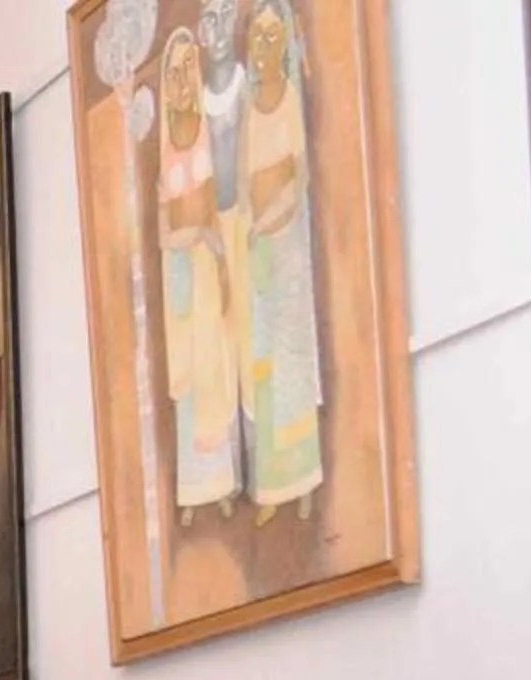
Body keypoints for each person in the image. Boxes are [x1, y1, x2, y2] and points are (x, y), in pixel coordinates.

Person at [240, 0, 327, 517]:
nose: (263, 48)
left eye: (273, 37)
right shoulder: (253, 111)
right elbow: (247, 186)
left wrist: (264, 222)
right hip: (258, 257)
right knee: (264, 370)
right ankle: (272, 485)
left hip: (285, 246)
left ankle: (303, 480)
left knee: (293, 364)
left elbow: (297, 180)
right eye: (258, 38)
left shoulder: (289, 98)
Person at [159, 27, 245, 516]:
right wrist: (187, 238)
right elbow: (164, 229)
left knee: (215, 368)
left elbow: (215, 210)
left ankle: (222, 480)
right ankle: (194, 491)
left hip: (209, 264)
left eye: (187, 70)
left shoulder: (208, 139)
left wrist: (212, 248)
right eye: (172, 73)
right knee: (187, 381)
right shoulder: (166, 149)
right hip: (180, 274)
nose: (181, 82)